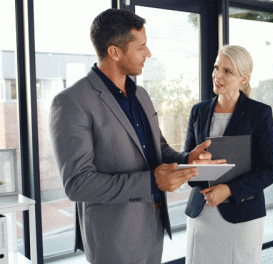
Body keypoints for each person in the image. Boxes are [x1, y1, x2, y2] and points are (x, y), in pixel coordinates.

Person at [49, 9, 224, 264]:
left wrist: (188, 158)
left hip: (153, 226)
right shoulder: (71, 102)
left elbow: (158, 150)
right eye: (141, 47)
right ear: (115, 52)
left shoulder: (141, 94)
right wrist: (152, 183)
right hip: (114, 237)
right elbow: (78, 184)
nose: (149, 53)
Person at [183, 45, 273, 263]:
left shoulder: (259, 113)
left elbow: (271, 170)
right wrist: (193, 164)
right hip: (202, 211)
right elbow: (186, 158)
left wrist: (228, 190)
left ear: (243, 79)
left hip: (242, 213)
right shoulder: (198, 111)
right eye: (217, 68)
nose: (218, 75)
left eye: (227, 71)